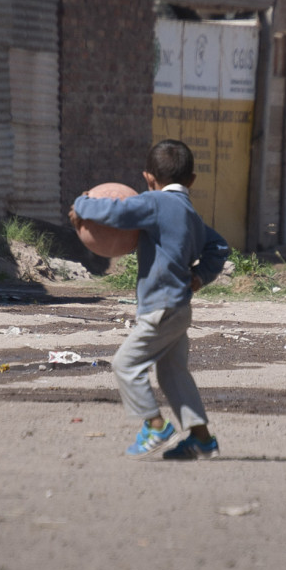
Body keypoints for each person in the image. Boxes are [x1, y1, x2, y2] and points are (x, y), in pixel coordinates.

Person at [69, 139, 230, 460]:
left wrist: (81, 203)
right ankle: (202, 439)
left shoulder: (154, 203)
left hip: (161, 308)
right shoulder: (190, 214)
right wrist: (200, 276)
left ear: (148, 177)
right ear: (192, 179)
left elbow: (112, 210)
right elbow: (220, 246)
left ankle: (155, 425)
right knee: (173, 374)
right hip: (179, 307)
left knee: (125, 365)